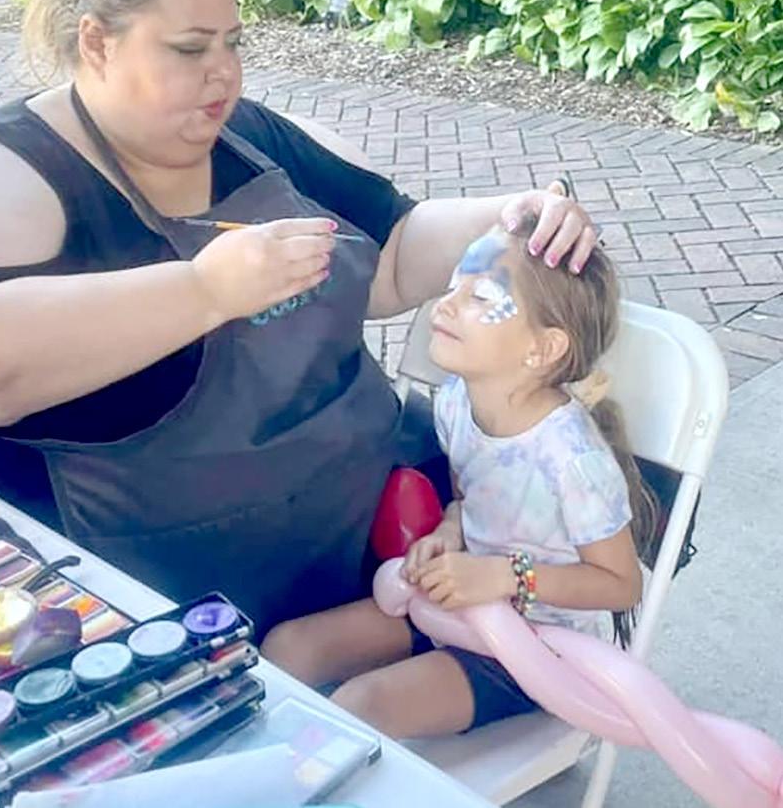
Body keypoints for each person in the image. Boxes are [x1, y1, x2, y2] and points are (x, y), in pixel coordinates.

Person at [0, 0, 598, 636]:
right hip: (160, 609)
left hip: (391, 541)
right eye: (190, 49)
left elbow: (396, 252)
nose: (224, 74)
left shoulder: (250, 138)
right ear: (97, 43)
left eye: (232, 43)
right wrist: (204, 291)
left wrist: (513, 214)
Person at [261, 221, 657, 735]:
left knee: (360, 706)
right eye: (453, 286)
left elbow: (621, 586)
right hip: (455, 606)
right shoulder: (455, 402)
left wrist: (506, 577)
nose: (444, 305)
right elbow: (469, 499)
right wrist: (449, 535)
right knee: (288, 650)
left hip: (536, 651)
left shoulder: (572, 460)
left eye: (481, 296)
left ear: (543, 349)